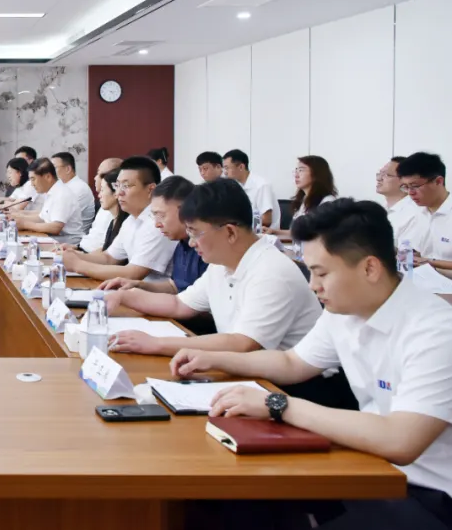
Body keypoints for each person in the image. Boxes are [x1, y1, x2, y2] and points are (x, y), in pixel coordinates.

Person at [173, 199, 452, 529]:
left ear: (370, 269)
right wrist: (212, 359)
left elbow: (400, 440)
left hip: (428, 493)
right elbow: (292, 362)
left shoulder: (436, 331)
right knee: (231, 499)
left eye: (321, 273)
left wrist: (278, 405)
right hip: (370, 465)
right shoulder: (345, 310)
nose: (312, 285)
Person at [105, 178, 320, 362]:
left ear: (230, 233)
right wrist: (123, 297)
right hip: (248, 372)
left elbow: (242, 344)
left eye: (195, 233)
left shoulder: (271, 271)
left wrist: (156, 344)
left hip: (293, 387)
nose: (191, 243)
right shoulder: (221, 264)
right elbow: (179, 304)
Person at [62, 156, 177, 282]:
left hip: (151, 292)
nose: (118, 193)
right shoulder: (131, 220)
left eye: (126, 186)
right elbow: (109, 258)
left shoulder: (157, 223)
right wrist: (74, 255)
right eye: (117, 185)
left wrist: (78, 265)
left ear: (151, 189)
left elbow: (133, 273)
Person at [99, 176, 208, 294]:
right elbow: (175, 287)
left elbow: (196, 302)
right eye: (154, 215)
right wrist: (138, 285)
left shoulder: (206, 247)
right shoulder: (181, 244)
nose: (157, 224)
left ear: (185, 211)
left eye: (161, 215)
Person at [397, 152, 452, 274]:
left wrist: (431, 263)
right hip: (419, 279)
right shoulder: (416, 212)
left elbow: (426, 261)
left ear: (438, 181)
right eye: (405, 187)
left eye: (415, 186)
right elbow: (412, 249)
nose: (410, 193)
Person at [9, 158, 83, 244]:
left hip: (68, 242)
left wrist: (25, 224)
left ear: (48, 177)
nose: (32, 184)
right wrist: (18, 216)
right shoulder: (51, 191)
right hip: (55, 238)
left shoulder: (62, 194)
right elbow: (42, 217)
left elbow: (56, 227)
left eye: (33, 179)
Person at [269, 156, 338, 241]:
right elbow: (297, 233)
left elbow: (321, 237)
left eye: (301, 170)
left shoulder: (327, 202)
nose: (296, 175)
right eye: (296, 170)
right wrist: (274, 231)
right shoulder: (305, 200)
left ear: (316, 174)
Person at [223, 149, 279, 229]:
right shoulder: (237, 186)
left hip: (263, 234)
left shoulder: (261, 185)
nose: (225, 172)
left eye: (227, 168)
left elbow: (266, 220)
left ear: (241, 167)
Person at [378, 156, 422, 242]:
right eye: (380, 174)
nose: (379, 179)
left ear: (405, 180)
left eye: (386, 175)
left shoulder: (414, 214)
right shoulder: (381, 208)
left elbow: (407, 249)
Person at [51, 152, 95, 221]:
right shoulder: (61, 186)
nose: (50, 172)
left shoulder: (79, 188)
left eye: (53, 168)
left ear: (68, 169)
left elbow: (58, 216)